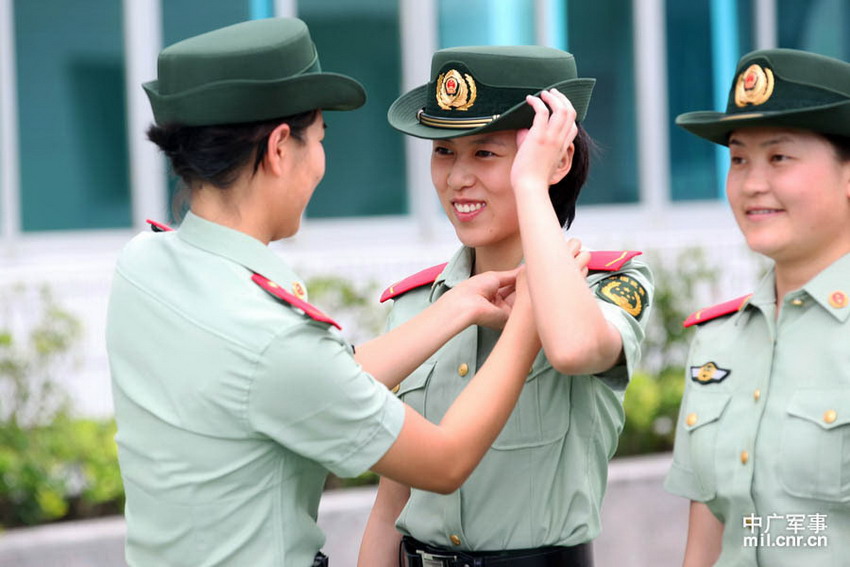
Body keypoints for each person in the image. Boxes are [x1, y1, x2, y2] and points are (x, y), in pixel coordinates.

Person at [105, 18, 547, 567]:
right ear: (279, 149)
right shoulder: (271, 337)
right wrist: (528, 320)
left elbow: (315, 383)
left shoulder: (143, 265)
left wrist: (456, 306)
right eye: (319, 140)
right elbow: (445, 461)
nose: (321, 163)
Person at [358, 45, 654, 567]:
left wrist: (530, 183)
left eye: (485, 153)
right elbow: (391, 503)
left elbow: (572, 348)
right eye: (444, 152)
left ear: (555, 160)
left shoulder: (608, 284)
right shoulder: (413, 306)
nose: (456, 178)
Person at [664, 48, 850, 566]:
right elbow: (710, 538)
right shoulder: (716, 341)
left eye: (779, 157)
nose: (751, 184)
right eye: (739, 159)